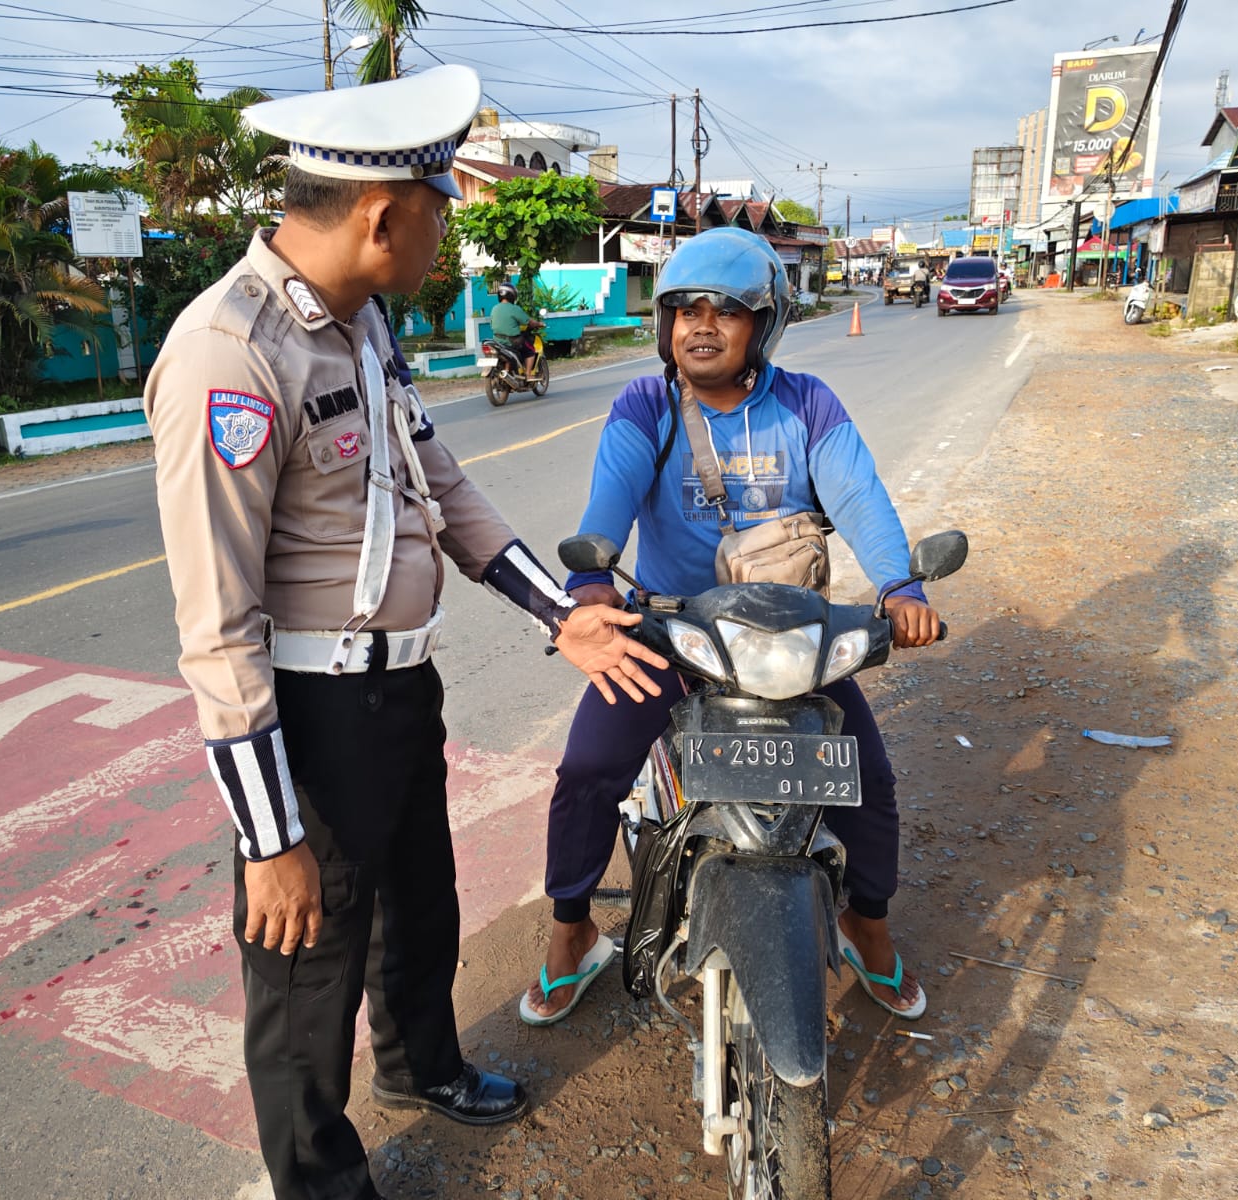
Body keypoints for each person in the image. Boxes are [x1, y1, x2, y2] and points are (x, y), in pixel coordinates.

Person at [143, 64, 666, 1200]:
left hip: (396, 690)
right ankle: (321, 1181)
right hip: (307, 713)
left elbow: (444, 487)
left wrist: (558, 615)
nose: (444, 237)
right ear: (384, 217)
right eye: (440, 213)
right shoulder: (228, 356)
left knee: (419, 905)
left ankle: (423, 1065)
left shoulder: (359, 322)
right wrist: (270, 838)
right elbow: (217, 624)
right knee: (306, 967)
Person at [519, 227, 942, 1027]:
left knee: (870, 782)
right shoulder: (647, 405)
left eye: (726, 310)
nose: (700, 325)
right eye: (684, 308)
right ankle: (572, 932)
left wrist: (900, 585)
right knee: (586, 771)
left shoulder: (807, 402)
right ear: (665, 324)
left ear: (766, 324)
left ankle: (866, 924)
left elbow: (859, 497)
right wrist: (588, 583)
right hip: (675, 638)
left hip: (793, 646)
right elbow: (606, 506)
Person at [488, 282, 543, 377]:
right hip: (512, 341)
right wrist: (539, 324)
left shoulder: (494, 308)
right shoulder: (514, 309)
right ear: (512, 295)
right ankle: (528, 374)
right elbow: (529, 322)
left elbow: (492, 324)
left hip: (497, 341)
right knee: (530, 350)